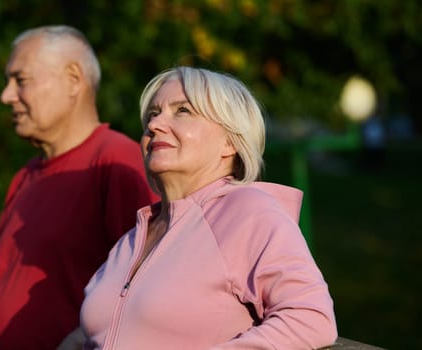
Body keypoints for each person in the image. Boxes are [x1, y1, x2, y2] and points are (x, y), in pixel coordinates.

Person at [79, 66, 338, 349]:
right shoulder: (132, 237)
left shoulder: (249, 212)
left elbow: (311, 317)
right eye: (153, 114)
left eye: (183, 111)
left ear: (230, 141)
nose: (154, 125)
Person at [0, 25, 158, 350]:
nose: (6, 96)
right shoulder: (24, 177)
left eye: (21, 80)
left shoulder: (115, 162)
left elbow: (149, 285)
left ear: (74, 80)